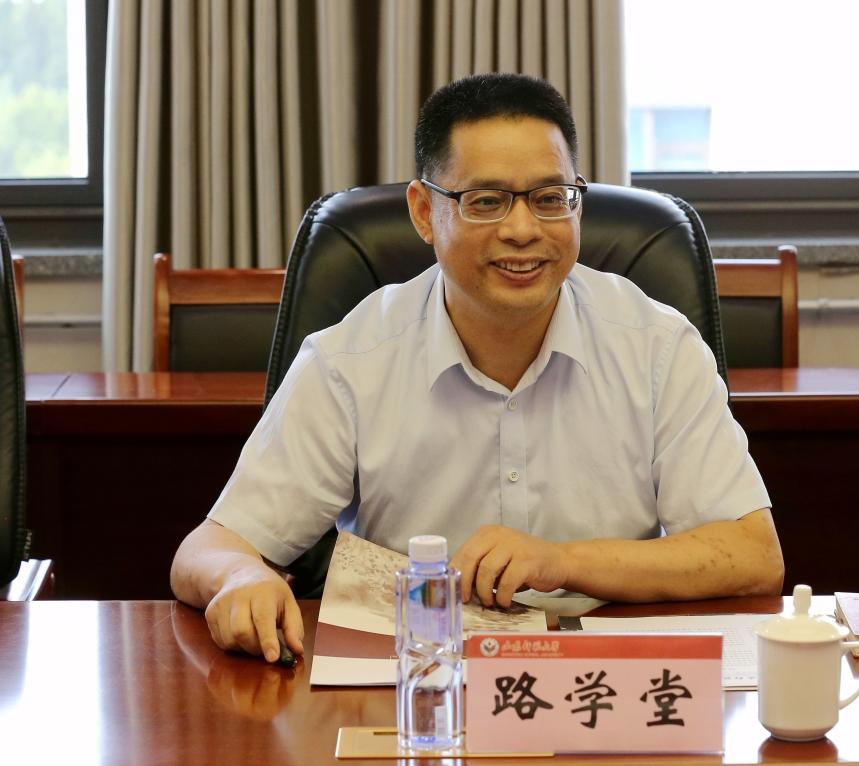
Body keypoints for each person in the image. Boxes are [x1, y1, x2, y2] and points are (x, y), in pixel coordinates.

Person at [171, 73, 784, 664]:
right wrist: (240, 577)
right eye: (486, 202)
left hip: (602, 685)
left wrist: (563, 562)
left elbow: (753, 555)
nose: (522, 230)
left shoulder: (657, 347)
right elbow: (212, 546)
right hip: (418, 678)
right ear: (423, 212)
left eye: (550, 199)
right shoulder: (350, 361)